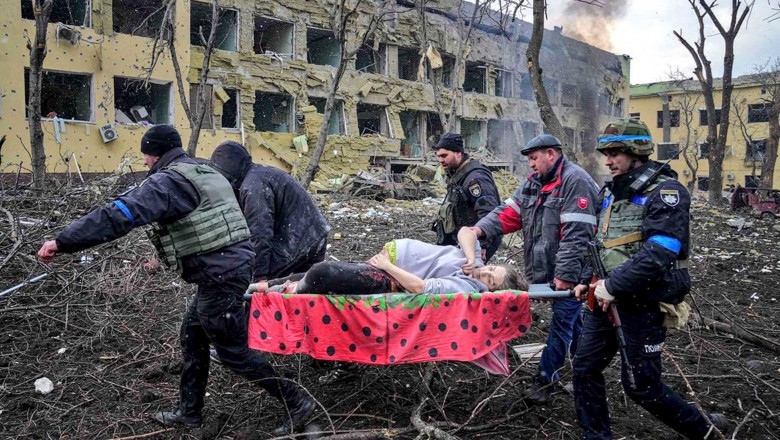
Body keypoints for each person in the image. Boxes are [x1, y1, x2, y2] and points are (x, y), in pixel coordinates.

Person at [36, 125, 314, 436]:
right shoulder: (203, 169)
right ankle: (189, 412)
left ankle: (297, 400)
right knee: (192, 335)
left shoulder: (168, 182)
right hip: (228, 268)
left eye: (145, 155)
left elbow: (119, 215)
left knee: (232, 351)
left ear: (154, 155)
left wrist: (63, 242)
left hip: (221, 273)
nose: (143, 162)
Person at [572, 119, 728, 439]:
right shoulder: (610, 192)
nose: (608, 160)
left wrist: (612, 286)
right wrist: (583, 279)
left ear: (637, 153)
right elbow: (601, 242)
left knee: (642, 387)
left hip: (640, 302)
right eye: (606, 153)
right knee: (584, 369)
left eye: (615, 153)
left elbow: (662, 250)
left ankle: (707, 432)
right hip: (603, 298)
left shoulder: (667, 192)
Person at [471, 134, 599, 404]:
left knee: (562, 323)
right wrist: (479, 229)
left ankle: (545, 379)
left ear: (551, 154)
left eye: (533, 158)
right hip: (549, 272)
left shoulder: (576, 182)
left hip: (575, 272)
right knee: (574, 322)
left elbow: (578, 235)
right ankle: (584, 372)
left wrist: (564, 276)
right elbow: (507, 213)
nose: (530, 164)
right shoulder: (532, 184)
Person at [253, 227, 524, 296]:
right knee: (313, 272)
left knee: (321, 272)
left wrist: (387, 266)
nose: (483, 273)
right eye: (490, 268)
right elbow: (467, 231)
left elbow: (419, 287)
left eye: (490, 279)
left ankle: (280, 293)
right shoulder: (472, 262)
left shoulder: (466, 288)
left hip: (391, 276)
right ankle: (259, 286)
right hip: (388, 261)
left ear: (490, 291)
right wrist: (469, 256)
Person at [210, 141, 330, 282]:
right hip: (313, 234)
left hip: (300, 239)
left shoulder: (252, 186)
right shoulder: (258, 175)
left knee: (255, 285)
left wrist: (259, 276)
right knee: (302, 292)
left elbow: (260, 233)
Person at [432, 132, 502, 262]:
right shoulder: (458, 175)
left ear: (458, 153)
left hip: (476, 240)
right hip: (464, 239)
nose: (440, 160)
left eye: (444, 155)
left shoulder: (475, 178)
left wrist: (482, 244)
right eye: (439, 156)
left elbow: (488, 212)